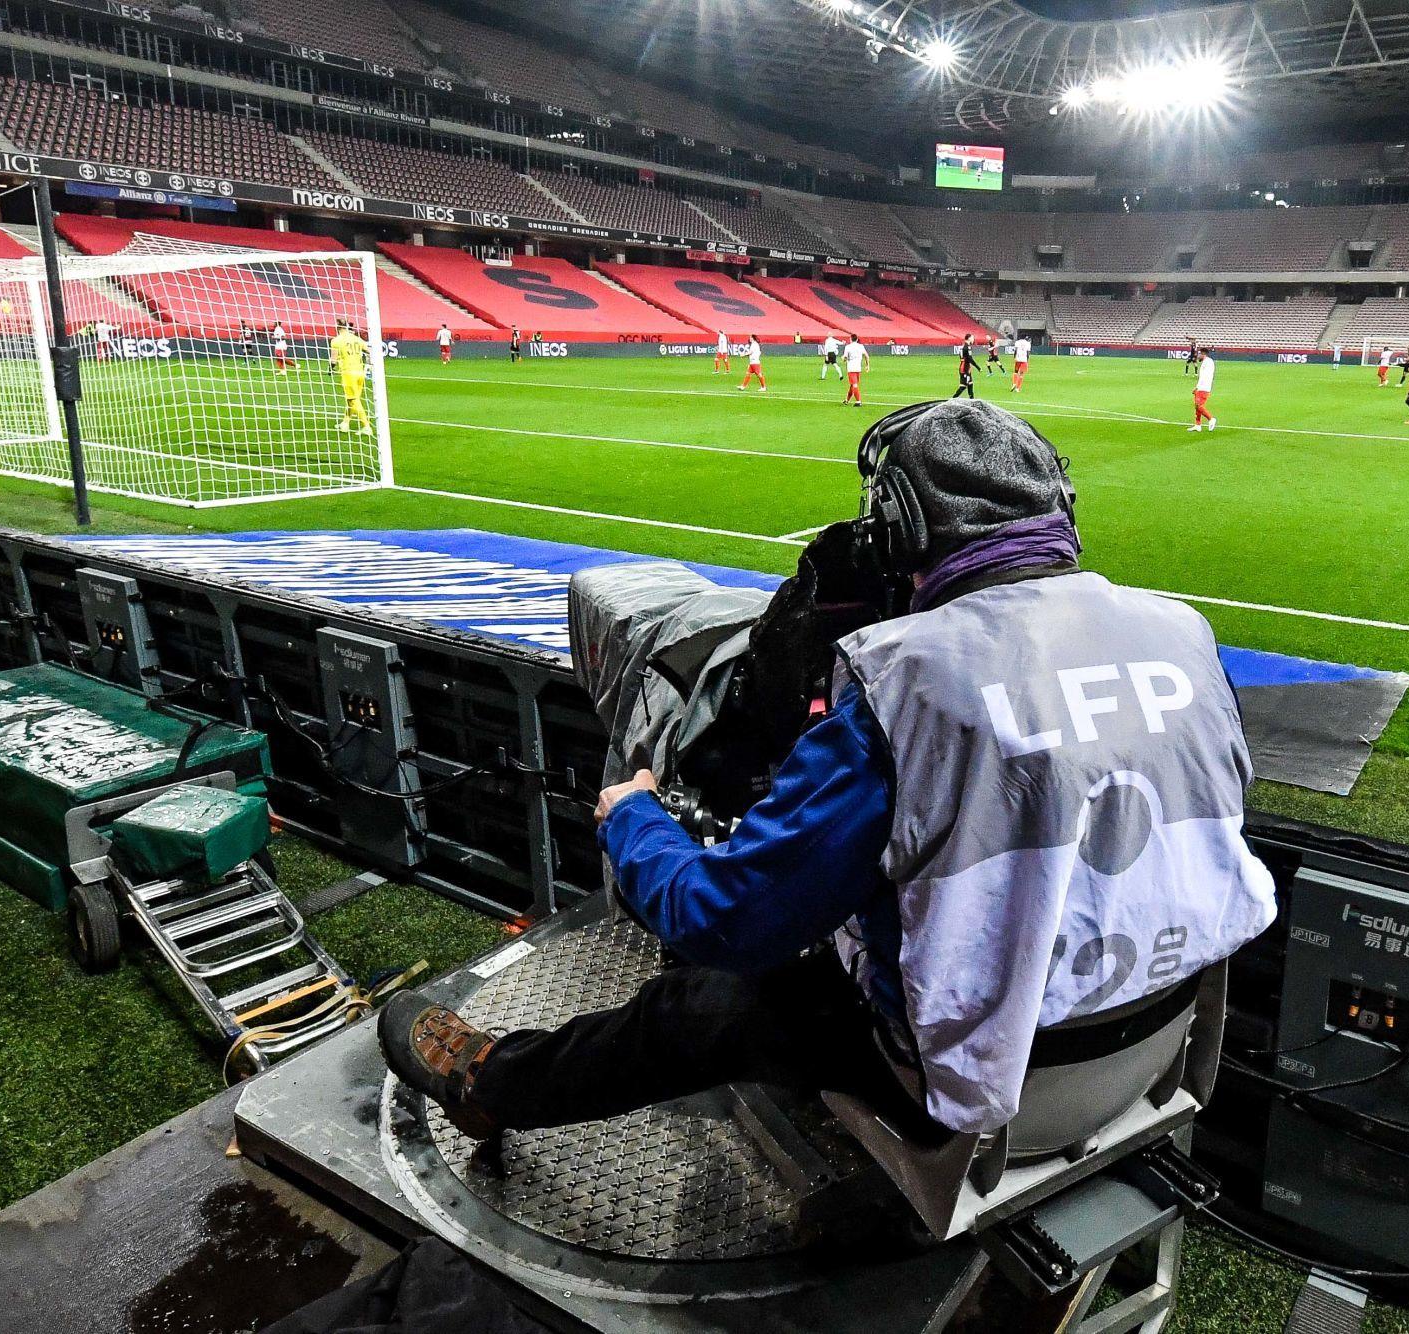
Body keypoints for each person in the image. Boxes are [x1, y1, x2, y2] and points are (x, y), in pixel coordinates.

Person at [377, 399, 1278, 1144]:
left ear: (897, 530)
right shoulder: (1181, 631)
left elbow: (723, 921)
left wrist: (633, 817)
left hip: (996, 1082)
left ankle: (492, 1086)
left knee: (703, 1002)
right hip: (1155, 1046)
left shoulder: (909, 681)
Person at [331, 319, 373, 434]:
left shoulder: (336, 341)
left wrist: (331, 368)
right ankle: (345, 423)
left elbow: (333, 360)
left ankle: (366, 426)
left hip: (348, 373)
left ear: (338, 327)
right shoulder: (356, 338)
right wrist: (369, 364)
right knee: (351, 400)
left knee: (353, 400)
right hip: (360, 372)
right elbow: (369, 350)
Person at [1188, 347, 1215, 432]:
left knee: (1199, 406)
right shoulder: (1206, 362)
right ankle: (1198, 425)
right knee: (1197, 406)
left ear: (1203, 354)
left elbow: (1205, 376)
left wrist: (1198, 387)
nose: (1197, 355)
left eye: (1199, 354)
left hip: (1204, 387)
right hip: (1202, 386)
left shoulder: (1208, 362)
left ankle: (1211, 419)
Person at [842, 333, 868, 406]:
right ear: (857, 339)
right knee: (852, 385)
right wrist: (867, 365)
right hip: (858, 368)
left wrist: (843, 359)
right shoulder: (861, 346)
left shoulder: (848, 347)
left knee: (854, 385)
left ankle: (858, 401)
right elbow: (866, 356)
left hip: (851, 368)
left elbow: (845, 358)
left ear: (850, 339)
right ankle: (847, 400)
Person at [952, 334, 980, 400]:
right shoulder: (967, 347)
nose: (973, 339)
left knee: (970, 384)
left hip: (965, 367)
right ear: (969, 338)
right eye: (973, 338)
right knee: (963, 386)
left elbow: (962, 357)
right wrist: (977, 367)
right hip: (965, 369)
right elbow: (969, 359)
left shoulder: (962, 346)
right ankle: (952, 399)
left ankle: (972, 400)